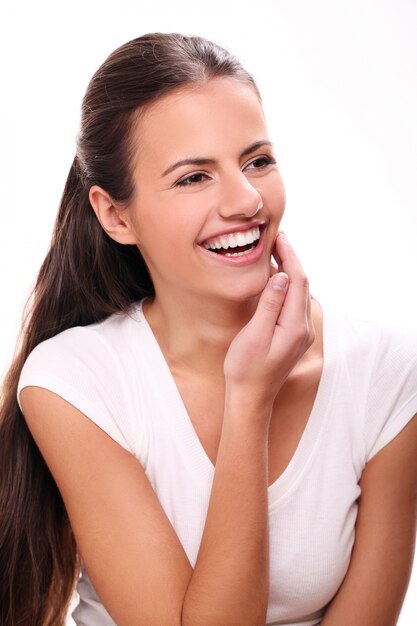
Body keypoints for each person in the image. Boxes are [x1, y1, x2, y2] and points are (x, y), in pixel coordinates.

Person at [0, 32, 416, 626]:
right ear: (116, 215)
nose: (246, 199)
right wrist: (249, 400)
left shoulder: (386, 373)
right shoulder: (74, 381)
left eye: (257, 161)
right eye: (194, 177)